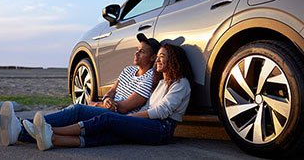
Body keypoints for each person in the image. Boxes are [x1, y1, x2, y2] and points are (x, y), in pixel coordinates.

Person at [0, 33, 161, 146]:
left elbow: (124, 107)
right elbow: (112, 90)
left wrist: (97, 105)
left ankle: (20, 125)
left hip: (120, 118)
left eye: (142, 52)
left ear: (152, 57)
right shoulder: (128, 70)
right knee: (74, 112)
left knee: (77, 110)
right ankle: (20, 129)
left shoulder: (150, 77)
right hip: (109, 108)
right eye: (137, 50)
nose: (136, 54)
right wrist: (107, 99)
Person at [28, 43, 193, 150]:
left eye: (162, 57)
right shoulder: (161, 84)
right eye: (157, 57)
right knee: (109, 136)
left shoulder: (180, 84)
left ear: (173, 60)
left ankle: (50, 130)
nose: (157, 60)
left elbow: (162, 112)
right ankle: (53, 140)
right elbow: (147, 107)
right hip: (151, 124)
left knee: (108, 119)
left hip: (161, 129)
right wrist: (129, 119)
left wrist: (130, 118)